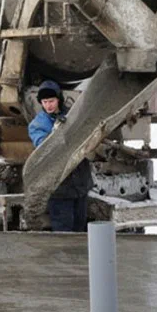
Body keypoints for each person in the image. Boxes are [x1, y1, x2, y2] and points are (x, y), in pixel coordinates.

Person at [28, 80, 93, 232]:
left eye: (51, 101)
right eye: (44, 102)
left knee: (80, 229)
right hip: (59, 188)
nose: (48, 105)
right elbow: (43, 147)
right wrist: (57, 132)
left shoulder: (73, 114)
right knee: (63, 231)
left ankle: (79, 256)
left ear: (59, 100)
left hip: (80, 185)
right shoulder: (38, 124)